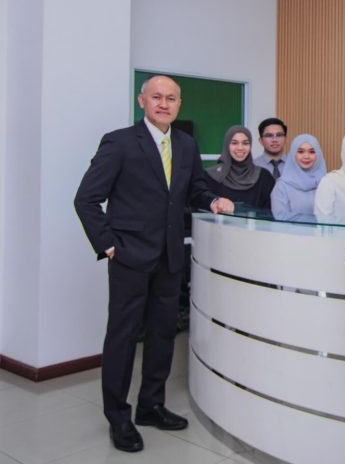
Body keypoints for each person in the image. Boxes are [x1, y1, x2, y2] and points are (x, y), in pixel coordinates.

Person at [74, 75, 234, 453]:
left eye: (172, 98)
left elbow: (194, 188)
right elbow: (86, 199)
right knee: (123, 337)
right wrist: (110, 247)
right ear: (141, 100)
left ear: (179, 104)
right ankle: (118, 417)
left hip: (169, 256)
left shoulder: (186, 143)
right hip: (129, 257)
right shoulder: (119, 143)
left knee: (163, 334)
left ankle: (151, 406)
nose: (164, 103)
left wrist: (212, 200)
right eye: (157, 97)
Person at [206, 125, 275, 210]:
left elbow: (270, 213)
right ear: (227, 145)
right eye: (234, 143)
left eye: (245, 143)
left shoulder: (264, 177)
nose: (240, 148)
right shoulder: (211, 176)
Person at [270, 133, 326, 219]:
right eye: (300, 152)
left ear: (318, 155)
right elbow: (280, 217)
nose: (306, 156)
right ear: (293, 154)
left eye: (312, 152)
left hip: (324, 232)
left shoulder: (327, 183)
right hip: (289, 232)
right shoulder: (282, 186)